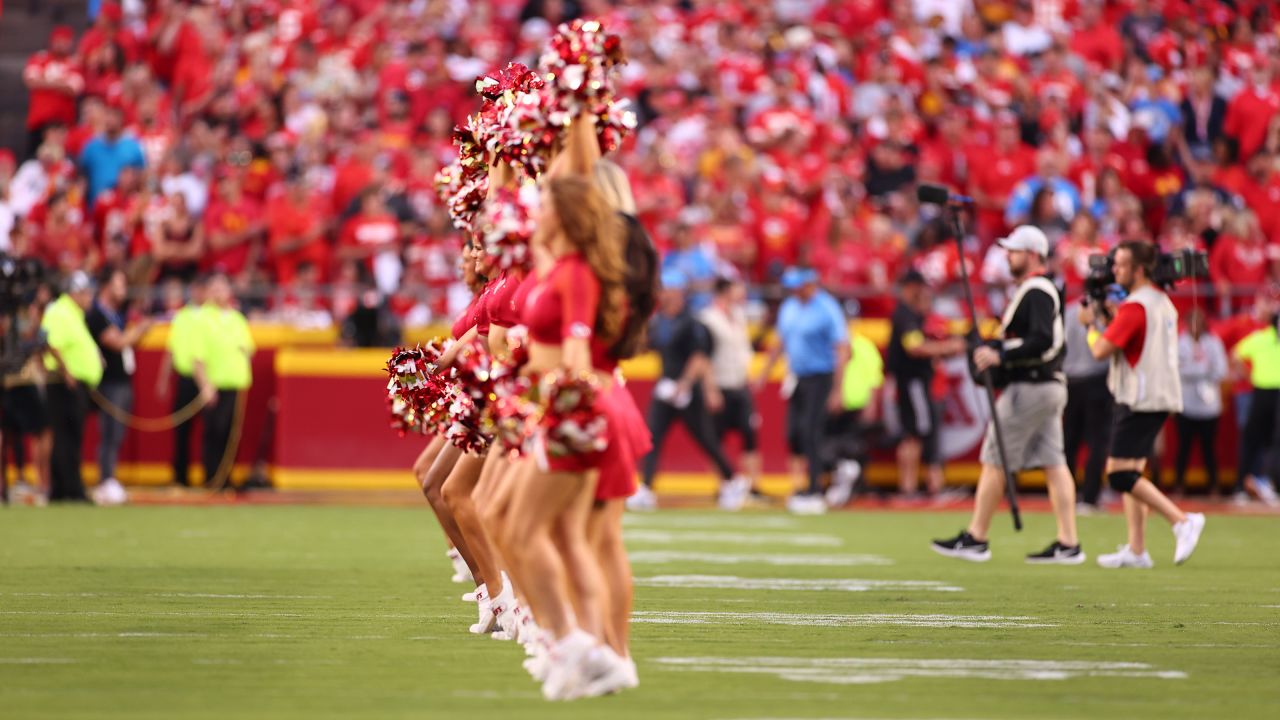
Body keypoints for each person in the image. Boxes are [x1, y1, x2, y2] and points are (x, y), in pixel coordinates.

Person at [932, 226, 1082, 564]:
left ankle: (977, 536)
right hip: (1046, 386)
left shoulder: (1037, 290)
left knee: (995, 458)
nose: (1007, 257)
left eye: (1013, 251)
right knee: (1055, 463)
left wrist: (1002, 354)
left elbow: (1044, 340)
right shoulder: (1035, 290)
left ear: (1030, 254)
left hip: (1030, 386)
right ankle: (1068, 542)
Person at [1080, 241, 1206, 568]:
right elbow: (1134, 340)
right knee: (1133, 471)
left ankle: (1181, 520)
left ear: (1138, 270)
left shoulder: (1136, 306)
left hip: (1141, 396)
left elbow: (1100, 350)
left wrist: (1091, 325)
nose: (1114, 271)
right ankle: (1137, 550)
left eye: (1120, 265)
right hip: (1155, 393)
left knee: (1120, 475)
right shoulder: (1159, 301)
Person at [632, 270, 747, 512]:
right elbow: (651, 347)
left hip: (687, 391)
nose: (665, 294)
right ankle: (646, 487)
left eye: (669, 289)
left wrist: (685, 383)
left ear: (680, 292)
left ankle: (731, 479)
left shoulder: (692, 322)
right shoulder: (660, 320)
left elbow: (699, 356)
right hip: (665, 388)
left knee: (705, 438)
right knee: (652, 437)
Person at [758, 267, 849, 514]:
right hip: (797, 377)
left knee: (811, 431)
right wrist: (765, 372)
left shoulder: (827, 308)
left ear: (811, 284)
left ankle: (815, 487)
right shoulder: (790, 307)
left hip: (820, 377)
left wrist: (837, 389)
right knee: (794, 433)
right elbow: (780, 341)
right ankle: (820, 477)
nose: (793, 290)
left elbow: (841, 349)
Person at [886, 270, 964, 497]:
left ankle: (918, 485)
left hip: (916, 382)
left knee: (919, 433)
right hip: (912, 382)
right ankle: (909, 487)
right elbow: (914, 347)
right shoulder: (905, 315)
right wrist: (946, 347)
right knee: (914, 434)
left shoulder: (913, 315)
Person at [86, 266, 153, 505]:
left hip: (123, 380)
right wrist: (141, 329)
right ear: (107, 286)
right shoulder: (96, 314)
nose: (124, 290)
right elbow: (118, 342)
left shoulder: (118, 313)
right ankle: (105, 480)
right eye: (119, 284)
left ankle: (110, 479)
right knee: (110, 432)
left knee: (117, 433)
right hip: (109, 382)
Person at [41, 271, 103, 503]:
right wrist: (67, 372)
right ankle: (72, 489)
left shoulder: (72, 313)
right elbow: (52, 344)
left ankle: (61, 489)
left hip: (73, 382)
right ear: (76, 293)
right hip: (65, 383)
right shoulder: (61, 311)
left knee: (67, 436)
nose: (90, 298)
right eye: (87, 293)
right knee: (69, 436)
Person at [699, 276, 761, 498]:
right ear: (725, 291)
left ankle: (753, 486)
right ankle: (723, 484)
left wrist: (748, 374)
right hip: (720, 383)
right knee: (716, 437)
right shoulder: (708, 319)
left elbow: (744, 349)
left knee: (750, 434)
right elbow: (704, 355)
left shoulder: (738, 316)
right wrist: (710, 388)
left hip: (739, 382)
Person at [192, 273, 254, 489]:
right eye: (214, 288)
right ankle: (212, 478)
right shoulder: (203, 318)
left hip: (236, 382)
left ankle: (226, 478)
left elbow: (248, 348)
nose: (218, 292)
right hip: (215, 382)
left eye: (222, 287)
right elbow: (197, 357)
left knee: (231, 433)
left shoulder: (237, 318)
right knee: (214, 431)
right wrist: (205, 385)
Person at [825, 323, 885, 508]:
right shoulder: (830, 343)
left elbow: (875, 376)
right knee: (828, 447)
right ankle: (841, 481)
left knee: (853, 447)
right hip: (836, 405)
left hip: (854, 405)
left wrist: (871, 404)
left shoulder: (864, 346)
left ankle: (852, 486)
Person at [156, 275, 207, 487]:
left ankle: (211, 475)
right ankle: (180, 476)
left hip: (207, 378)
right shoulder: (182, 316)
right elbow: (171, 349)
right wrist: (163, 379)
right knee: (181, 429)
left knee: (210, 430)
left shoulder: (211, 316)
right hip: (185, 377)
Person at [1062, 300, 1113, 512]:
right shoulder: (1103, 312)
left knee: (1069, 443)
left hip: (1071, 380)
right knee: (1097, 442)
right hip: (1097, 379)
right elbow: (1103, 348)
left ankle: (1066, 495)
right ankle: (1090, 497)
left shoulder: (1069, 311)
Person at [1175, 309, 1227, 495]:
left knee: (1209, 449)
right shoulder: (1180, 343)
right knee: (1184, 447)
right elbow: (1175, 369)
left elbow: (1221, 370)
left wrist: (1197, 369)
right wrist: (1201, 369)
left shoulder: (1213, 343)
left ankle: (1214, 486)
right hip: (1186, 404)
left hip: (1208, 406)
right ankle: (1179, 485)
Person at [1232, 307, 1280, 506]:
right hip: (1261, 393)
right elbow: (1235, 354)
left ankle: (1272, 486)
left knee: (1276, 442)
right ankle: (1241, 487)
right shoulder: (1261, 338)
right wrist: (1248, 375)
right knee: (1251, 439)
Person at [78, 105, 145, 207]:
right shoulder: (91, 147)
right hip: (96, 207)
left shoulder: (133, 147)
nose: (110, 119)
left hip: (125, 208)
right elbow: (83, 178)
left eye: (114, 115)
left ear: (121, 119)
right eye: (108, 115)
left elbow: (142, 177)